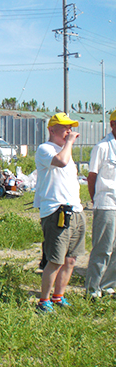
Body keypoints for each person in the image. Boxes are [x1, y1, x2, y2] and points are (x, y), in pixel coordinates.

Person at [33, 112, 85, 313]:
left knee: (70, 259)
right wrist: (69, 142)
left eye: (70, 127)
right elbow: (61, 162)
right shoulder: (45, 149)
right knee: (55, 259)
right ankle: (43, 300)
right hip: (56, 211)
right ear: (52, 129)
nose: (69, 131)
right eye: (65, 127)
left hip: (75, 210)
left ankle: (58, 296)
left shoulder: (66, 151)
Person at [85, 110, 116, 298]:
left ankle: (108, 286)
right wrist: (95, 199)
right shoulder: (102, 147)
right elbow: (92, 177)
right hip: (106, 204)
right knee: (102, 249)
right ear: (112, 124)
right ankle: (92, 290)